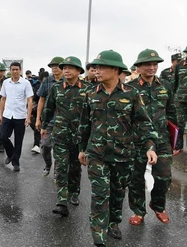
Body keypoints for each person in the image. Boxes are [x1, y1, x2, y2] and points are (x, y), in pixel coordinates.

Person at [77, 50, 158, 247]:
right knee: (99, 194)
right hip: (97, 154)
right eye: (95, 67)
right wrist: (82, 148)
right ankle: (99, 236)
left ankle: (113, 222)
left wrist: (149, 147)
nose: (96, 71)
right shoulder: (90, 94)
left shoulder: (131, 94)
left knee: (117, 192)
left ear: (115, 69)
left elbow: (143, 123)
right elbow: (84, 124)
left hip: (123, 154)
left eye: (101, 67)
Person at [127, 49, 176, 226]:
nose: (152, 67)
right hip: (137, 139)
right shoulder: (130, 88)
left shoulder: (165, 86)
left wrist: (176, 139)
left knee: (164, 176)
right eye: (147, 64)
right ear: (138, 67)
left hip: (162, 139)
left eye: (155, 64)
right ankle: (138, 211)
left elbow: (171, 112)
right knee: (136, 178)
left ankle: (158, 205)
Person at [41, 56, 89, 216]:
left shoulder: (88, 89)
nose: (66, 70)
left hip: (79, 136)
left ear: (78, 71)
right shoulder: (56, 88)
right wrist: (43, 126)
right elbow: (49, 108)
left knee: (75, 168)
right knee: (61, 167)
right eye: (65, 68)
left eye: (70, 68)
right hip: (60, 133)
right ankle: (62, 201)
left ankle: (74, 192)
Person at [0, 62, 33, 172]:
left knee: (19, 140)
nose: (15, 71)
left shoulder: (26, 83)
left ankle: (16, 162)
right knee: (3, 137)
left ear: (20, 70)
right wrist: (0, 114)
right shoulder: (6, 83)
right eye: (12, 69)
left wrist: (28, 117)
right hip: (7, 115)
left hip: (20, 116)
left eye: (17, 69)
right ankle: (11, 154)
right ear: (10, 70)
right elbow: (3, 99)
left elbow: (29, 100)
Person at [36, 56, 64, 177]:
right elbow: (41, 100)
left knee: (60, 149)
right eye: (52, 66)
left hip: (64, 120)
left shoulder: (68, 81)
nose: (54, 68)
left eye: (57, 66)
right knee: (45, 145)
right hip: (49, 119)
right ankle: (48, 164)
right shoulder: (47, 81)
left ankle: (57, 172)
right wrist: (38, 119)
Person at [174, 46, 187, 154]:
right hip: (180, 100)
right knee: (180, 124)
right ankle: (178, 147)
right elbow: (175, 83)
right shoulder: (179, 66)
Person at [27, 74, 42, 154]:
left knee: (37, 126)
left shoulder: (40, 86)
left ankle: (37, 144)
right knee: (35, 125)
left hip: (41, 108)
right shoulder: (28, 85)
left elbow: (37, 97)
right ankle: (37, 143)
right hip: (34, 108)